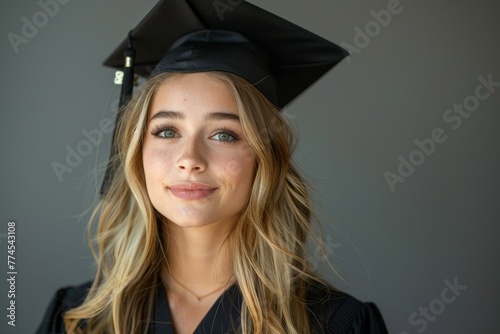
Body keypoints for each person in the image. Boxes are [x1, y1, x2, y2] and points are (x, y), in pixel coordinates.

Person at [37, 1, 388, 333]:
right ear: (136, 151)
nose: (190, 159)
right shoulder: (78, 318)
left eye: (224, 134)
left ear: (265, 156)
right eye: (167, 131)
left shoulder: (335, 324)